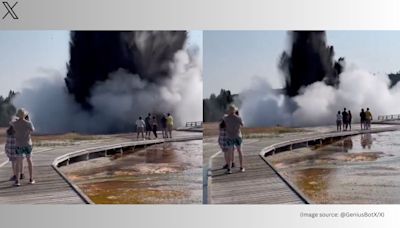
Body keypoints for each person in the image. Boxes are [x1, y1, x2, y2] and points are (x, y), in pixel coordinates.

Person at [11, 108, 35, 186]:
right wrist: (29, 120)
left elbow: (12, 123)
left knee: (18, 162)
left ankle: (17, 181)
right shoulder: (28, 123)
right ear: (25, 115)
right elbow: (33, 130)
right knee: (29, 161)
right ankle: (31, 179)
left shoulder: (14, 123)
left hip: (18, 144)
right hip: (27, 144)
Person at [223, 104, 244, 174]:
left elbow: (225, 125)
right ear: (235, 110)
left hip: (229, 137)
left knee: (229, 152)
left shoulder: (225, 118)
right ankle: (241, 167)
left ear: (228, 111)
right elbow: (242, 125)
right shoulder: (238, 118)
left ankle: (229, 169)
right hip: (237, 136)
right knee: (239, 151)